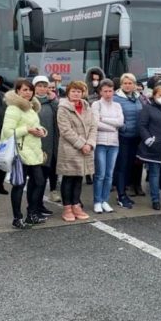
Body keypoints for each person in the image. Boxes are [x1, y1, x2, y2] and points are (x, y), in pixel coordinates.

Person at [2, 80, 47, 228]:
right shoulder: (13, 109)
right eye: (25, 90)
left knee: (39, 183)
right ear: (18, 91)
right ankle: (17, 218)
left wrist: (41, 131)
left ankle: (31, 214)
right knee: (19, 185)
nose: (28, 93)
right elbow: (7, 132)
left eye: (30, 90)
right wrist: (27, 130)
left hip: (33, 151)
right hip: (20, 152)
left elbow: (35, 125)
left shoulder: (31, 107)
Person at [56, 80, 97, 221]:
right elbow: (65, 130)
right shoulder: (63, 108)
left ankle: (76, 205)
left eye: (79, 91)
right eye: (73, 91)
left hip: (86, 149)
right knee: (68, 178)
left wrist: (90, 144)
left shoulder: (87, 106)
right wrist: (82, 144)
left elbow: (93, 126)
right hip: (70, 149)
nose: (76, 94)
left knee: (79, 178)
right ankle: (67, 208)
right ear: (68, 92)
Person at [91, 79, 123, 213]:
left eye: (110, 91)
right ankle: (97, 201)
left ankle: (105, 200)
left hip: (114, 143)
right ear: (100, 92)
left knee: (109, 174)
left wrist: (104, 119)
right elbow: (95, 123)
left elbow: (120, 122)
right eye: (105, 91)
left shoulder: (117, 105)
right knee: (100, 174)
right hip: (100, 142)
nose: (108, 94)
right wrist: (111, 127)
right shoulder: (96, 104)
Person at [113, 73, 143, 208]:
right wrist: (123, 127)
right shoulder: (116, 98)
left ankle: (125, 192)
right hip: (123, 137)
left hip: (136, 138)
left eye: (130, 83)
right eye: (125, 83)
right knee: (122, 167)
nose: (127, 85)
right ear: (121, 84)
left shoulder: (139, 98)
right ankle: (121, 194)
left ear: (134, 85)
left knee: (131, 166)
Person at [32, 76, 58, 215]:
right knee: (37, 180)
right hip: (35, 146)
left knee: (45, 177)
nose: (42, 88)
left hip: (50, 145)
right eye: (39, 85)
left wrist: (53, 98)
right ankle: (33, 207)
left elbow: (59, 111)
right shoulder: (31, 102)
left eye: (45, 86)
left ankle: (40, 205)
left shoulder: (51, 102)